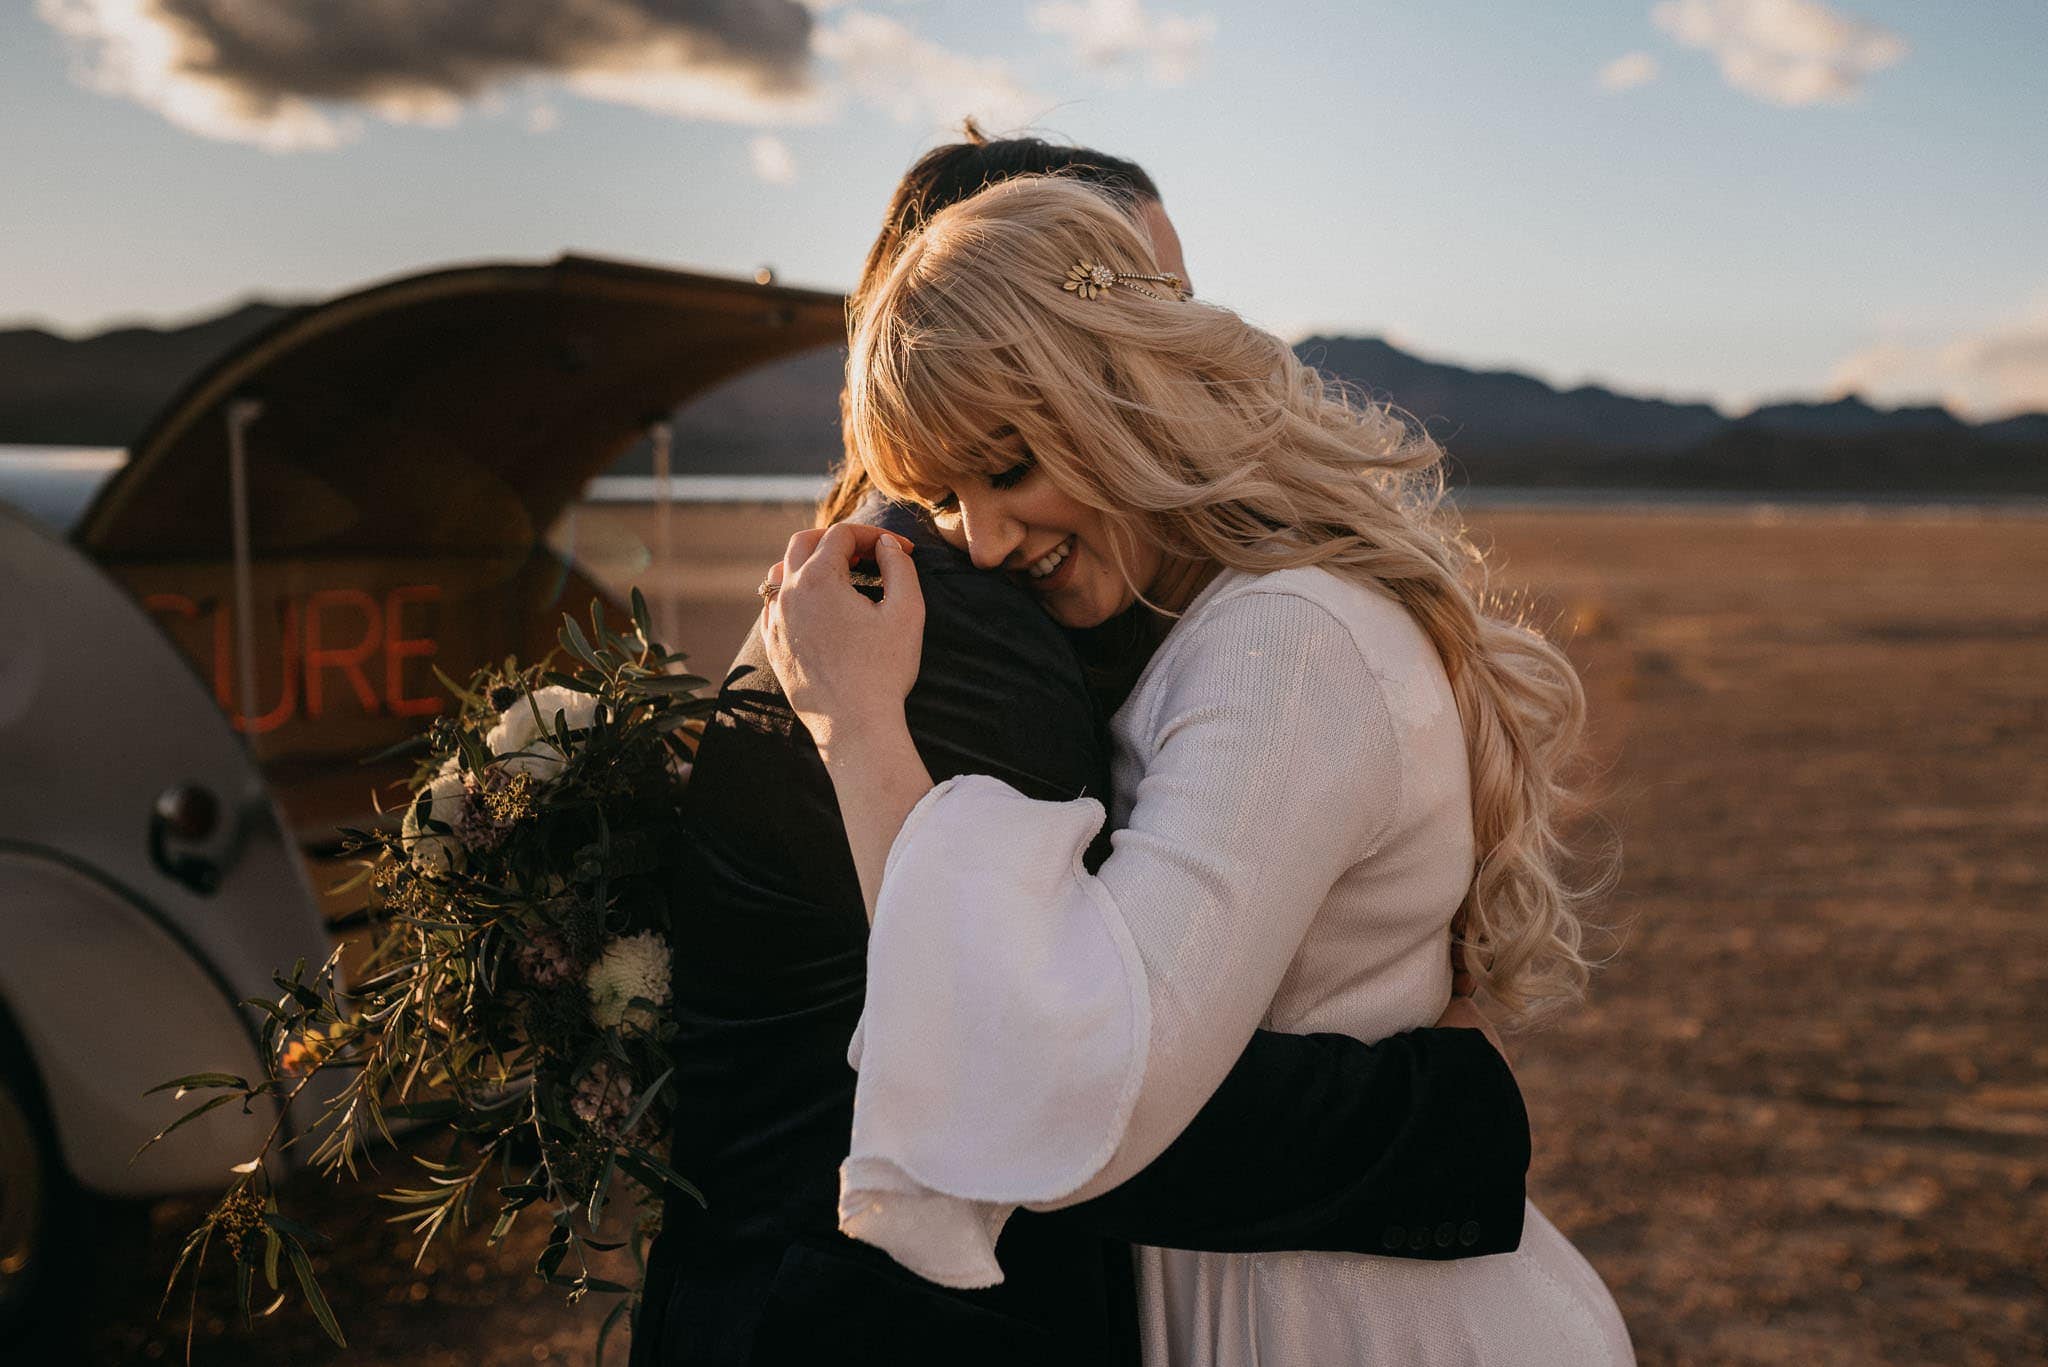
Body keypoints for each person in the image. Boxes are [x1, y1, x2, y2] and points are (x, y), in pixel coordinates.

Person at [631, 132, 1538, 1367]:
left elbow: (1073, 1056)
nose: (986, 542)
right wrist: (1449, 1124)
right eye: (957, 492)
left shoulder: (1277, 638)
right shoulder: (956, 623)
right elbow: (1035, 1059)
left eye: (1007, 470)